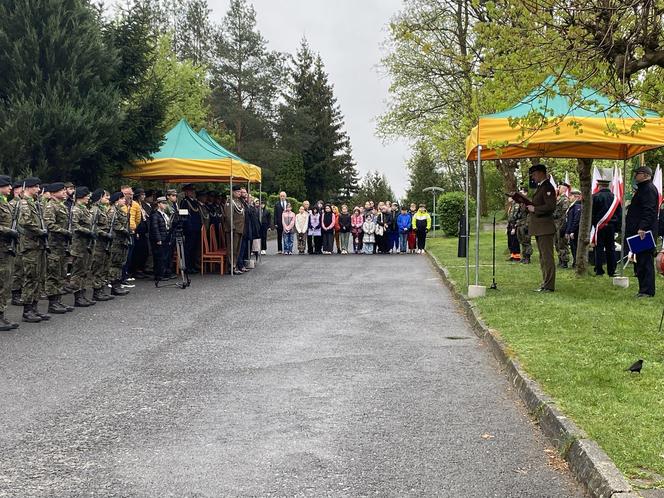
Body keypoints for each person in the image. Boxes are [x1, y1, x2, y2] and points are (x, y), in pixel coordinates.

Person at [18, 177, 52, 322]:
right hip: (30, 245)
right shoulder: (25, 203)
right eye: (36, 187)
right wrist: (40, 231)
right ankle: (27, 310)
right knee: (30, 277)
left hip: (38, 245)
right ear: (29, 187)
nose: (38, 190)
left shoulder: (35, 203)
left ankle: (35, 307)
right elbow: (26, 222)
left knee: (39, 277)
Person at [626, 165, 659, 297]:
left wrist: (642, 227)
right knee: (640, 260)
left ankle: (647, 291)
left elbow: (649, 210)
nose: (635, 176)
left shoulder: (648, 189)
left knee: (645, 261)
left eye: (638, 173)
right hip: (640, 231)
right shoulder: (643, 188)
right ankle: (643, 289)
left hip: (644, 232)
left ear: (645, 175)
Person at [43, 182, 74, 314]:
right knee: (53, 274)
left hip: (62, 245)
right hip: (54, 245)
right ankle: (53, 303)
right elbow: (49, 224)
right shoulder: (50, 206)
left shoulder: (61, 206)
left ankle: (58, 301)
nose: (64, 192)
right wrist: (64, 231)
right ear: (54, 192)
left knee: (61, 273)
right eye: (61, 191)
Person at [526, 164, 557, 292]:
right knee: (543, 257)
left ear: (541, 173)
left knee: (547, 257)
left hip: (545, 227)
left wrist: (535, 209)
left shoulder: (547, 187)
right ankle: (545, 282)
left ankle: (549, 285)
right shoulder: (541, 187)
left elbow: (551, 206)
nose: (533, 177)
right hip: (540, 227)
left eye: (534, 174)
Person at [89, 189, 115, 302]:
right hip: (99, 242)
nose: (108, 199)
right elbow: (94, 227)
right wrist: (105, 234)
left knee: (104, 266)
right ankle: (96, 290)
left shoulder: (103, 209)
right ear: (99, 198)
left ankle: (101, 289)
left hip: (105, 242)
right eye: (105, 197)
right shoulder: (95, 210)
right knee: (98, 267)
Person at [0, 175, 19, 330]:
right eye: (7, 185)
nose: (10, 188)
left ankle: (2, 315)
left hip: (6, 249)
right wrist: (9, 231)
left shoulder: (6, 204)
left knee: (5, 282)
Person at [592, 176, 621, 277]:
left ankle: (599, 270)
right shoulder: (615, 198)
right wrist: (617, 228)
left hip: (599, 227)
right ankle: (612, 270)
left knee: (599, 248)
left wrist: (593, 225)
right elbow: (619, 214)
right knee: (611, 248)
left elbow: (592, 213)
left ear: (599, 186)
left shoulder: (595, 197)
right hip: (612, 226)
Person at [108, 192, 131, 296]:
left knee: (120, 263)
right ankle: (114, 285)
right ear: (117, 200)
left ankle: (117, 283)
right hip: (116, 241)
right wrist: (125, 231)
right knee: (115, 264)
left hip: (122, 241)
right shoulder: (113, 211)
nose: (124, 200)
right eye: (121, 198)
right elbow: (115, 225)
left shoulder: (120, 210)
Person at [223, 185, 245, 275]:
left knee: (237, 249)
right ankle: (232, 266)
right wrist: (232, 227)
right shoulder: (230, 202)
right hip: (234, 229)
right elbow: (229, 216)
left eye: (240, 192)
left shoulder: (238, 201)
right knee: (232, 249)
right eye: (237, 192)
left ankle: (234, 265)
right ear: (232, 192)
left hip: (239, 228)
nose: (239, 193)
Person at [180, 185, 201, 273]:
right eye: (190, 191)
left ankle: (193, 265)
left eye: (193, 191)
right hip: (190, 229)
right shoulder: (185, 202)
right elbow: (183, 216)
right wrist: (188, 228)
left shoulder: (194, 202)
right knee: (188, 249)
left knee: (194, 248)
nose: (192, 192)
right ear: (186, 192)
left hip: (196, 228)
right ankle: (188, 267)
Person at [150, 196, 172, 282]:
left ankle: (163, 273)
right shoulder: (155, 215)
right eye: (163, 203)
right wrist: (158, 239)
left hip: (165, 237)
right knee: (159, 257)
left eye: (166, 203)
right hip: (159, 238)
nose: (165, 205)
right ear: (159, 204)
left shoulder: (164, 214)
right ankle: (158, 275)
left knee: (165, 256)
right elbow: (155, 228)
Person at [554, 183, 571, 268]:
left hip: (561, 224)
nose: (557, 189)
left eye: (559, 187)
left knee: (562, 244)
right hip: (555, 224)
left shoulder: (565, 200)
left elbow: (565, 213)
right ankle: (560, 260)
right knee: (557, 243)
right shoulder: (558, 198)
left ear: (563, 189)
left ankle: (564, 261)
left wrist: (563, 227)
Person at [565, 189, 583, 268]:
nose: (569, 197)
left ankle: (577, 263)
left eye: (571, 196)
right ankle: (575, 262)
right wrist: (567, 231)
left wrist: (571, 231)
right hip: (572, 230)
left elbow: (576, 220)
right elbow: (569, 220)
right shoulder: (573, 205)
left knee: (575, 247)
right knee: (573, 247)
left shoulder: (578, 206)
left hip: (576, 231)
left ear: (577, 197)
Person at [515, 187, 533, 264]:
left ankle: (528, 257)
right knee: (522, 241)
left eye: (522, 192)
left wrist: (527, 225)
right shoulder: (521, 203)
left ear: (525, 193)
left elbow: (530, 214)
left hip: (525, 224)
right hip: (520, 224)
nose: (520, 193)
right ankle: (524, 256)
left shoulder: (528, 202)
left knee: (526, 241)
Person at [506, 196, 521, 262]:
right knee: (510, 241)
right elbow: (509, 217)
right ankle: (512, 255)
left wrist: (514, 227)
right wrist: (507, 227)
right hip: (510, 225)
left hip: (514, 225)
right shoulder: (511, 206)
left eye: (509, 197)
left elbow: (516, 217)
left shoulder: (516, 205)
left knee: (514, 241)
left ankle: (517, 257)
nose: (508, 198)